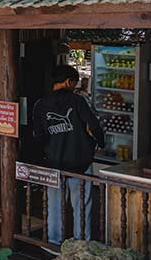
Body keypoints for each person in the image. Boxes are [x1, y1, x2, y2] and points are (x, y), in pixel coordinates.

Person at [32, 64, 105, 244]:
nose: (75, 86)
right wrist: (100, 143)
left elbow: (38, 136)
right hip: (80, 163)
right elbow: (94, 125)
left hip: (54, 164)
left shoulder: (41, 104)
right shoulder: (78, 101)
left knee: (54, 206)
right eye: (74, 82)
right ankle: (82, 242)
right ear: (67, 82)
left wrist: (47, 152)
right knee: (82, 205)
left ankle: (53, 241)